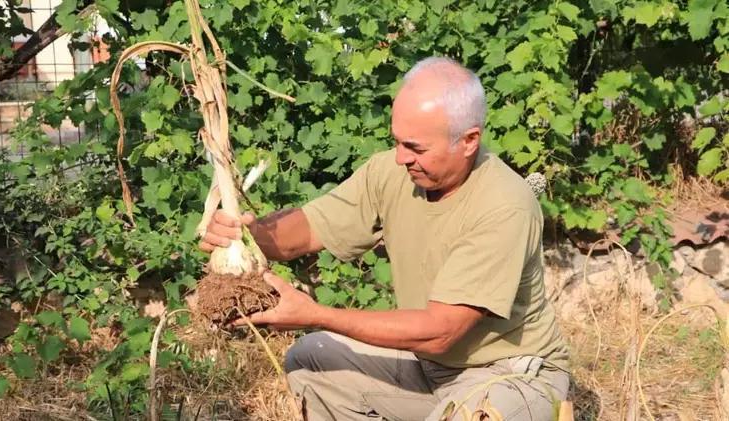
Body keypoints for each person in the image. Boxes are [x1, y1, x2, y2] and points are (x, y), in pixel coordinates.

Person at [199, 57, 569, 420]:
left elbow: (441, 332)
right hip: (428, 370)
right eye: (397, 142)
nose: (400, 158)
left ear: (469, 140)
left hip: (508, 375)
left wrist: (316, 315)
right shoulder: (393, 174)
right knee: (312, 359)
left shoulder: (503, 205)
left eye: (416, 148)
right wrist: (245, 237)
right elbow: (310, 227)